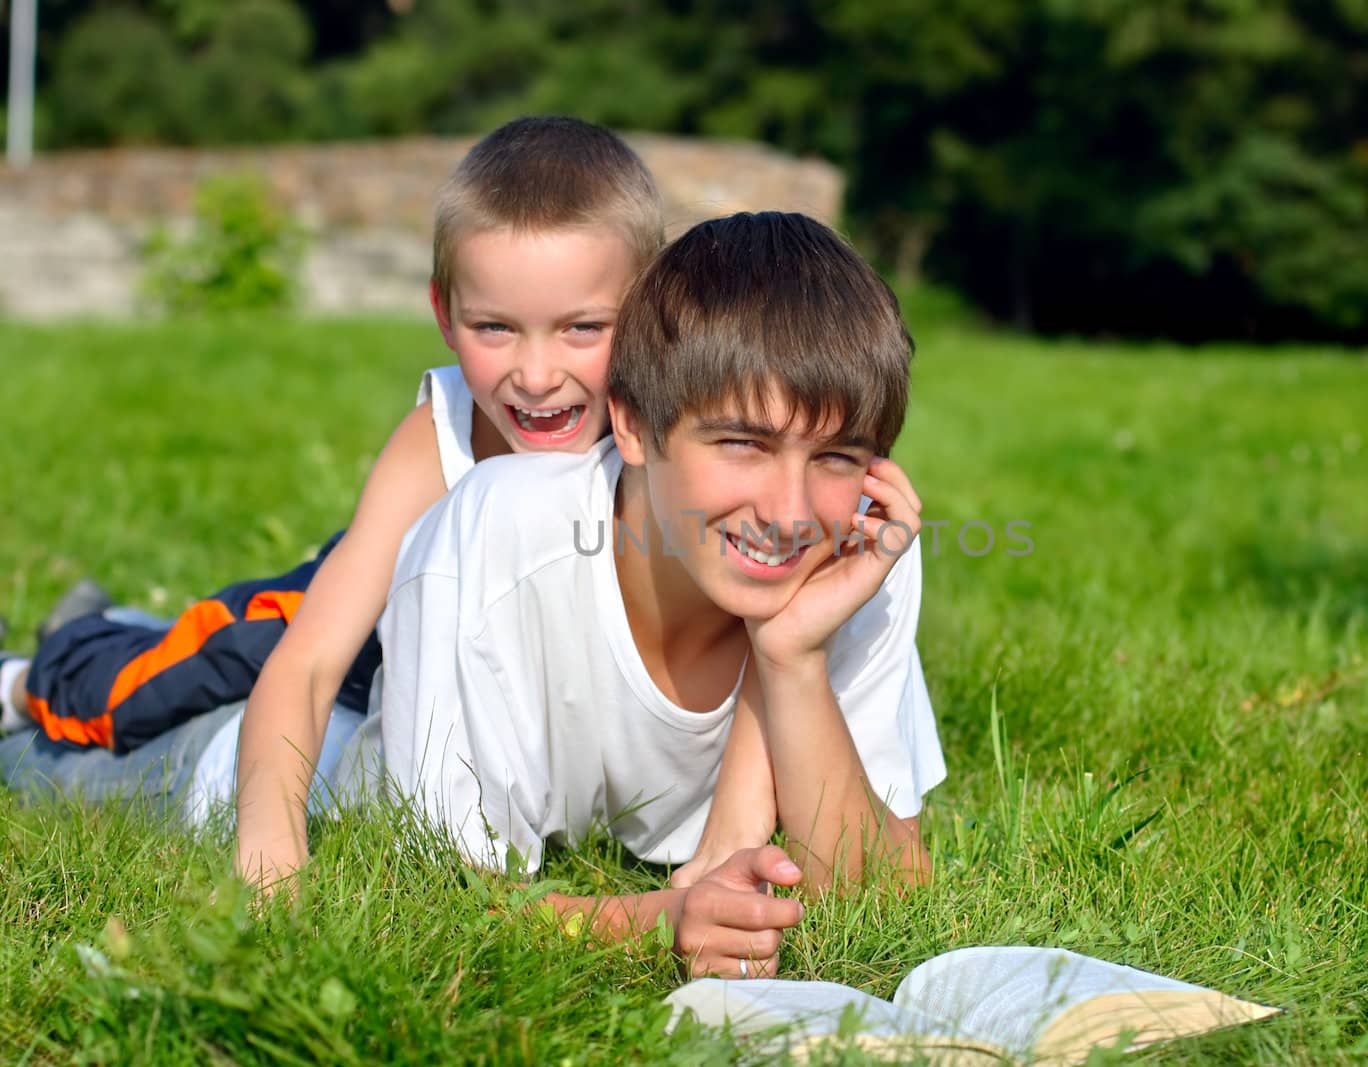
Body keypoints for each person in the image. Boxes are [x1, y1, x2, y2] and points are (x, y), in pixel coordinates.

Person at [0, 117, 755, 888]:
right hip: (354, 633)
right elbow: (307, 667)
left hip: (451, 667)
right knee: (163, 677)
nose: (535, 374)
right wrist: (272, 857)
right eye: (494, 327)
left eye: (582, 329)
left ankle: (112, 626)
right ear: (443, 314)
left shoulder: (669, 437)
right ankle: (32, 674)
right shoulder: (444, 432)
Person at [376, 211, 946, 977]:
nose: (790, 512)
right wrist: (658, 919)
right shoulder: (497, 537)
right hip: (332, 716)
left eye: (838, 456)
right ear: (636, 424)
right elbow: (441, 898)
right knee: (179, 696)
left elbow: (884, 896)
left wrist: (792, 657)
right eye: (743, 443)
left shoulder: (854, 551)